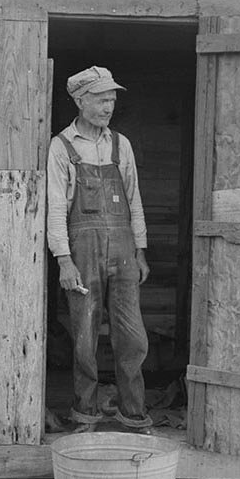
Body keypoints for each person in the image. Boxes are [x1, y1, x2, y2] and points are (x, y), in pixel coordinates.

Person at [46, 65, 152, 433]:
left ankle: (133, 413)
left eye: (112, 98)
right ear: (79, 100)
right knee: (84, 335)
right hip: (83, 249)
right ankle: (85, 412)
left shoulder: (121, 145)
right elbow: (56, 207)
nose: (108, 105)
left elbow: (134, 200)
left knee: (132, 335)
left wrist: (140, 250)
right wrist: (64, 260)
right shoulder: (62, 147)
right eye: (100, 98)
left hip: (123, 250)